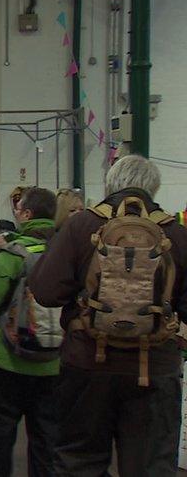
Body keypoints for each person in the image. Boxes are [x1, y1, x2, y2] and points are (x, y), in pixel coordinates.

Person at [29, 155, 187, 476]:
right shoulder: (176, 234)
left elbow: (45, 291)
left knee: (79, 461)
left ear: (109, 184)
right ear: (153, 188)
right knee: (150, 467)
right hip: (154, 368)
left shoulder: (81, 226)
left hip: (88, 363)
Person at [0, 187, 59, 477]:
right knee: (45, 432)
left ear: (27, 214)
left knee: (2, 427)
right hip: (53, 361)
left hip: (9, 358)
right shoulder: (65, 250)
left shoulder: (14, 253)